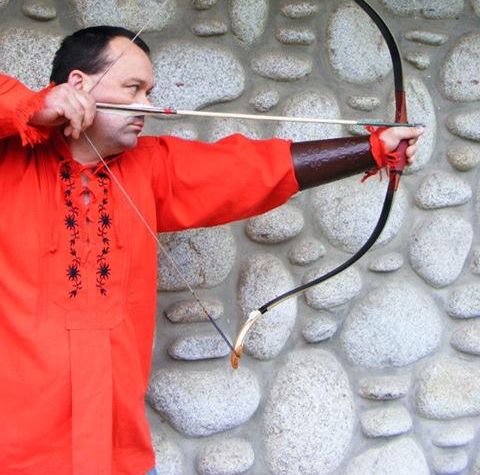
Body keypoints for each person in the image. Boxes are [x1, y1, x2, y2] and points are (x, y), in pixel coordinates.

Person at [0, 26, 422, 475]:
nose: (147, 107)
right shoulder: (10, 158)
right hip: (16, 452)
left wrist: (371, 149)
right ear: (79, 84)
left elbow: (249, 170)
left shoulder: (150, 166)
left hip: (116, 453)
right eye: (133, 88)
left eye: (149, 92)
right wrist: (34, 106)